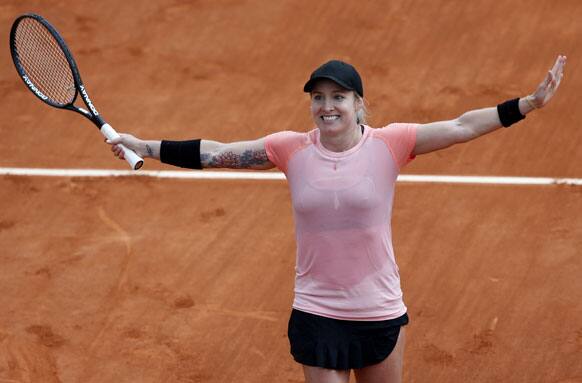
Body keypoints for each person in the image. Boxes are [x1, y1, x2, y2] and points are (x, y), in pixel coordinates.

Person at [108, 55, 566, 383]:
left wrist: (526, 104)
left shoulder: (392, 142)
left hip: (380, 310)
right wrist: (146, 146)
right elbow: (217, 154)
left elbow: (462, 126)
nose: (327, 106)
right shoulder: (290, 148)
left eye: (338, 97)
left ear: (358, 104)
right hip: (317, 311)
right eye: (319, 97)